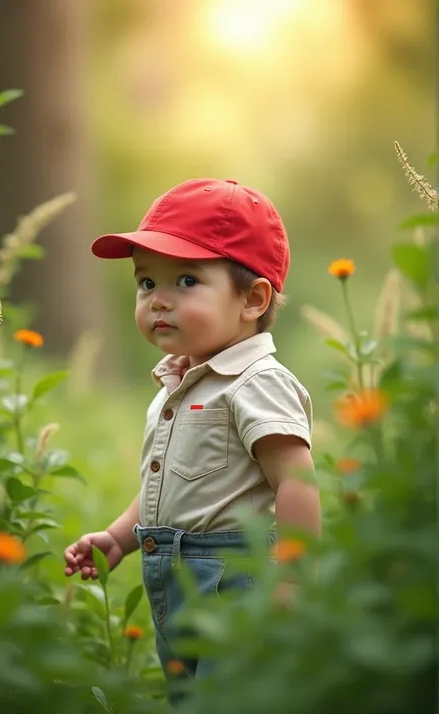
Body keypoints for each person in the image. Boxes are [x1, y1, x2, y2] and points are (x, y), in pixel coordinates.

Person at [63, 178, 321, 696]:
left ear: (253, 298)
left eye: (185, 281)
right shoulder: (175, 385)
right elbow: (171, 484)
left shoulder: (256, 384)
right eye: (146, 283)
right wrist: (117, 537)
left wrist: (294, 577)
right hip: (173, 576)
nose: (158, 301)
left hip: (234, 580)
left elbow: (297, 483)